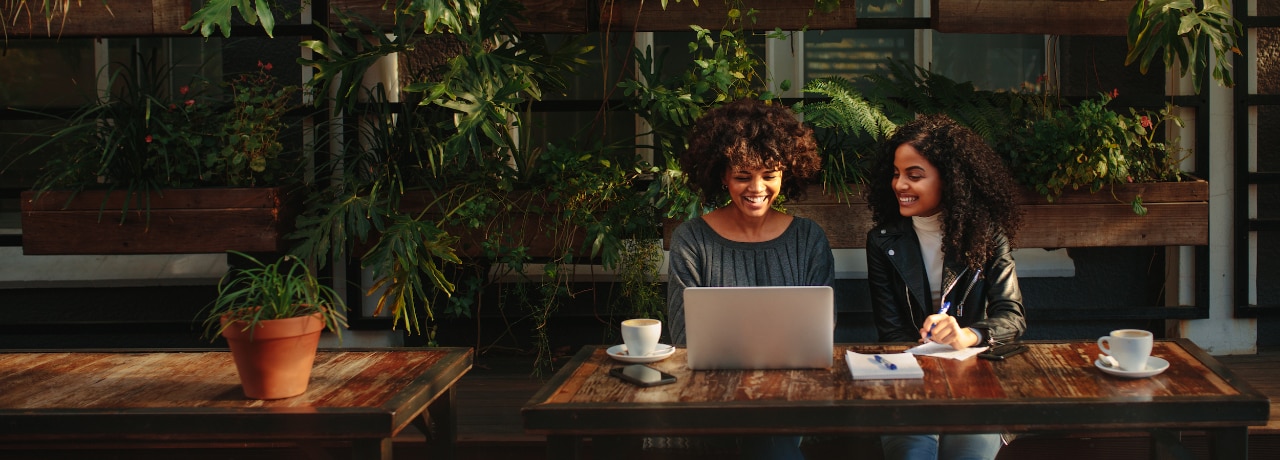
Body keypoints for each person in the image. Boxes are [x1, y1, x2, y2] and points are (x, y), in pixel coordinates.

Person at [666, 98, 835, 460]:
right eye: (743, 176)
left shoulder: (808, 239)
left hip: (792, 392)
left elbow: (820, 331)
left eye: (769, 175)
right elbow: (684, 339)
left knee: (771, 430)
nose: (756, 188)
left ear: (786, 173)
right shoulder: (692, 239)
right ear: (722, 175)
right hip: (713, 391)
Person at [864, 114, 1027, 460]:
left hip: (975, 385)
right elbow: (892, 335)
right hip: (908, 386)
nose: (900, 185)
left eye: (914, 175)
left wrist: (967, 335)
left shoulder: (987, 236)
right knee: (913, 454)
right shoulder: (882, 242)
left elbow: (1011, 317)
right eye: (896, 173)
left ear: (951, 180)